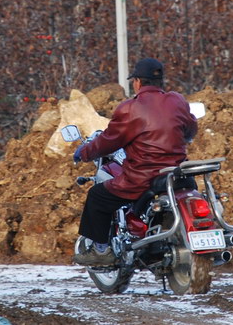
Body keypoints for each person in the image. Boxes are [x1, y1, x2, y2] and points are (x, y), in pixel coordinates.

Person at [72, 57, 198, 266]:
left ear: (138, 82)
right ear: (160, 82)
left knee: (97, 196)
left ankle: (101, 250)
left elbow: (108, 141)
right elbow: (190, 130)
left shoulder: (130, 108)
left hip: (143, 178)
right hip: (177, 174)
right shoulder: (177, 101)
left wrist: (84, 152)